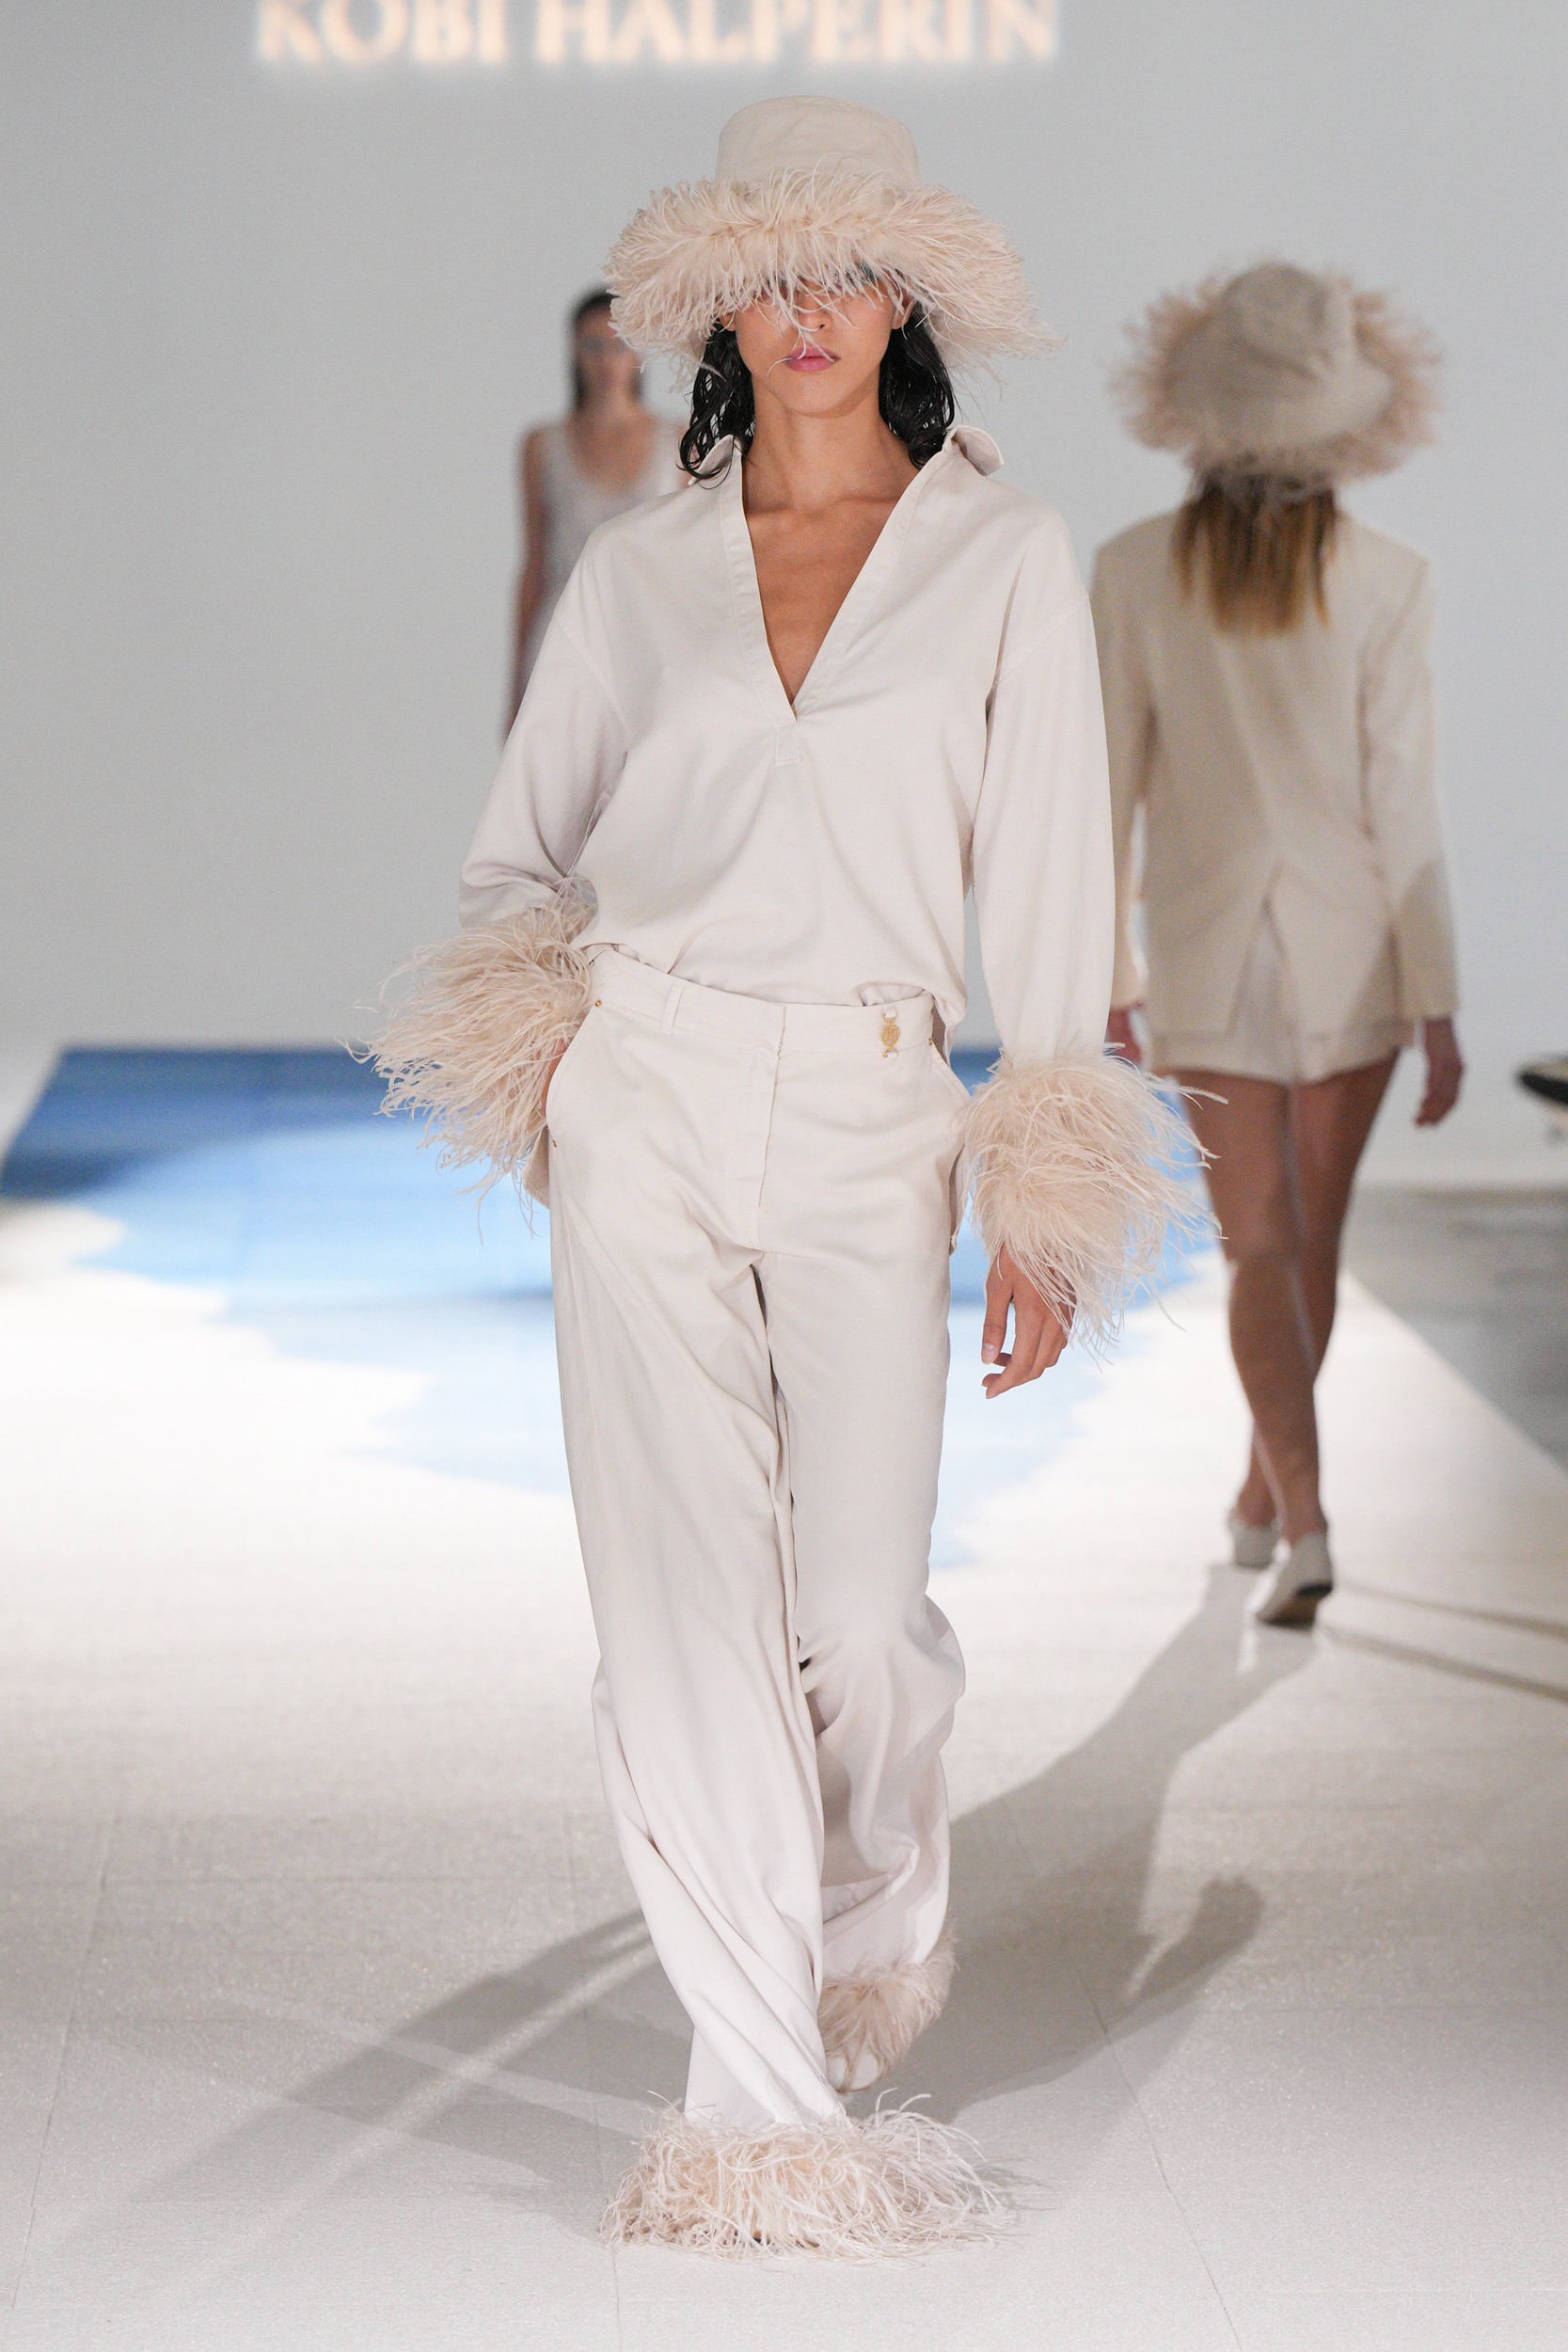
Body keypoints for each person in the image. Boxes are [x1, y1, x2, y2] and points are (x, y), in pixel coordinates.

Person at [376, 96, 1186, 2253]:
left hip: (870, 1109)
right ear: (714, 306)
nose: (809, 310)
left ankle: (867, 1890)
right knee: (677, 1617)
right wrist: (555, 1075)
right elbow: (512, 857)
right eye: (769, 273)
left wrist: (1039, 1178)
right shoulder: (641, 568)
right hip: (641, 1090)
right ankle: (752, 2103)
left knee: (851, 1622)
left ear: (907, 297)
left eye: (848, 269)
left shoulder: (1000, 556)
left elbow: (1052, 883)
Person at [1092, 262, 1464, 1629]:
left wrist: (1107, 973)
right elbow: (1402, 808)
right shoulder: (1388, 578)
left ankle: (1276, 1505)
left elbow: (1104, 791)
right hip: (1353, 950)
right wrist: (1434, 1002)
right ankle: (1295, 1513)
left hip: (1203, 955)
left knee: (1259, 1248)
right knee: (1304, 1248)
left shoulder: (1130, 571)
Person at [505, 288, 681, 729]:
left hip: (650, 637)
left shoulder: (679, 442)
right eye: (594, 346)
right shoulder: (542, 446)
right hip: (564, 635)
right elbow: (534, 565)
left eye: (620, 344)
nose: (607, 360)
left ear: (640, 350)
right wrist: (515, 689)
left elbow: (691, 561)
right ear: (574, 350)